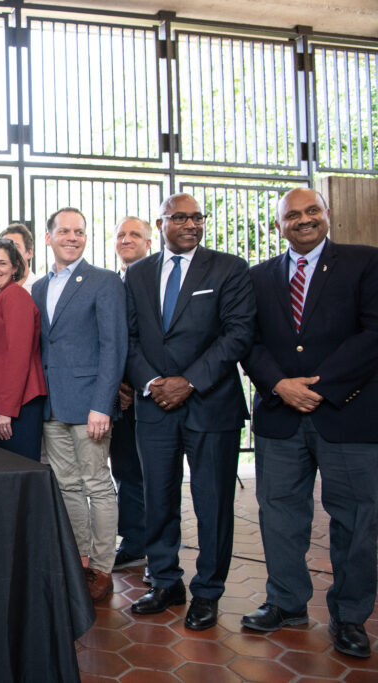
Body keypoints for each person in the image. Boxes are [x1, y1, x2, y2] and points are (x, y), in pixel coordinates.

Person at [241, 188, 378, 658]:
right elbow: (248, 340)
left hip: (348, 413)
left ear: (327, 213)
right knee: (279, 514)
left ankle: (350, 616)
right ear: (279, 225)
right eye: (292, 215)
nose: (304, 220)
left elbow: (374, 333)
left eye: (312, 211)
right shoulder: (258, 277)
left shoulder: (365, 262)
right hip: (280, 416)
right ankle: (286, 602)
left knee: (356, 520)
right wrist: (280, 385)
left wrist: (319, 387)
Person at [125, 193, 255, 631]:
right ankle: (165, 581)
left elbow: (238, 333)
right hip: (154, 405)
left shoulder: (229, 268)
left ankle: (207, 592)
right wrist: (151, 383)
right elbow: (130, 336)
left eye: (197, 217)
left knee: (212, 503)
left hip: (210, 404)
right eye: (179, 217)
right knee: (158, 498)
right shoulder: (138, 273)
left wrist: (189, 382)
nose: (191, 225)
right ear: (160, 222)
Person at [31, 208, 127, 602]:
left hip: (90, 405)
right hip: (52, 404)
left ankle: (103, 568)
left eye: (80, 232)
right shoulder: (39, 287)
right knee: (66, 485)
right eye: (65, 231)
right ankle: (81, 561)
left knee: (98, 485)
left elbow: (114, 346)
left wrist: (102, 405)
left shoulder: (104, 281)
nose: (73, 237)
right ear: (49, 237)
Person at [0, 239, 47, 460]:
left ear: (15, 267)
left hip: (17, 407)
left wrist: (6, 410)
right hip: (0, 402)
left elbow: (19, 356)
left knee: (19, 468)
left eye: (2, 263)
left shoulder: (15, 296)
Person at [110, 216, 153, 572]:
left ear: (149, 243)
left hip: (151, 391)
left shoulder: (156, 280)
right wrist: (118, 384)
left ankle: (154, 545)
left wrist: (137, 381)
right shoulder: (112, 282)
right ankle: (134, 540)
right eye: (121, 235)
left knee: (151, 473)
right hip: (120, 395)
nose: (126, 240)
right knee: (124, 469)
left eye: (134, 234)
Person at [0, 222, 40, 300]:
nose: (9, 252)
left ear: (30, 253)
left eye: (15, 247)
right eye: (5, 248)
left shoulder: (39, 289)